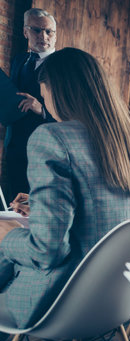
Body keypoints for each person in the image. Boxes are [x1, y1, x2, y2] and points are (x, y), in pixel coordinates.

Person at [0, 48, 130, 332]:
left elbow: (46, 252)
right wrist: (39, 208)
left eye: (45, 95)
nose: (45, 104)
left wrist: (9, 234)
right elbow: (98, 210)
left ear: (59, 92)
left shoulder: (51, 137)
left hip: (59, 299)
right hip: (116, 296)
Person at [2, 8, 57, 199]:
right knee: (15, 203)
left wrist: (41, 109)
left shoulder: (63, 65)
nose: (43, 35)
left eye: (49, 31)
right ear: (25, 32)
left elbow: (72, 114)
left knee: (37, 206)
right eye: (36, 30)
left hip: (43, 150)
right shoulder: (19, 60)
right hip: (15, 146)